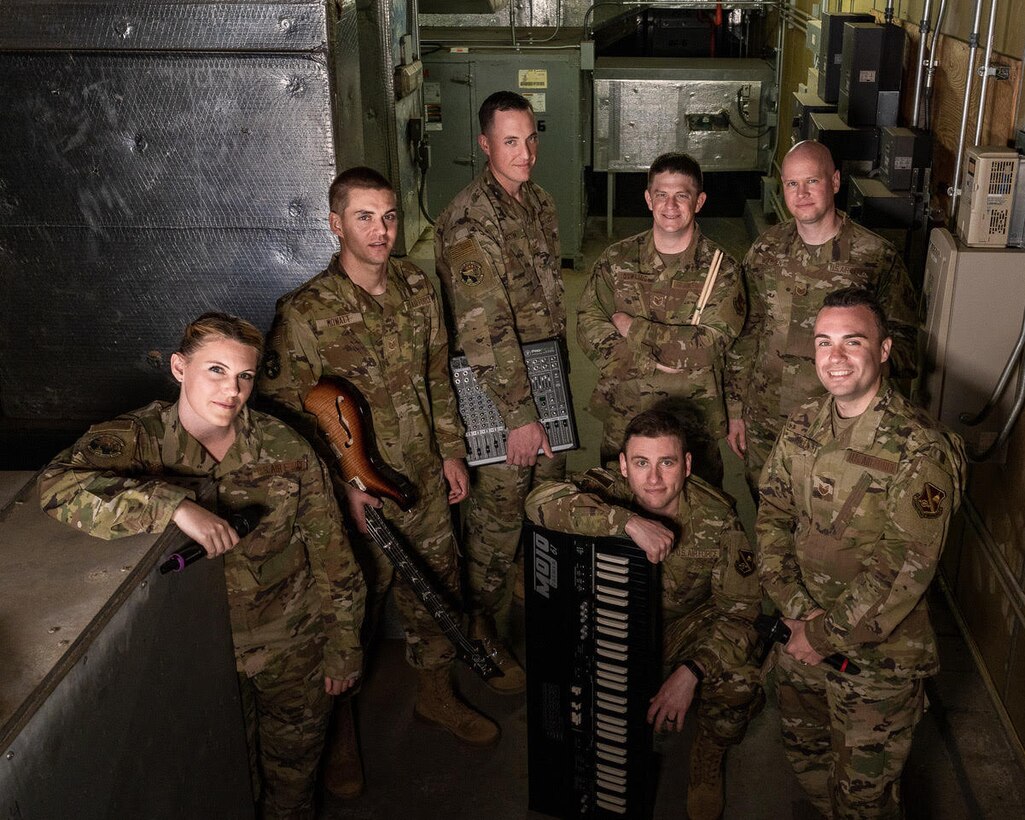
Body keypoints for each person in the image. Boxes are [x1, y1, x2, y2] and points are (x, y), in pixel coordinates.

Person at [38, 312, 365, 819]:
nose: (231, 390)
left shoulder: (285, 446)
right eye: (215, 370)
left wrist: (344, 646)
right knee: (217, 777)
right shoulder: (140, 438)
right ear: (178, 368)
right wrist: (171, 505)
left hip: (292, 645)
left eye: (244, 376)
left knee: (294, 779)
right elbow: (56, 486)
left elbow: (332, 554)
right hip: (198, 655)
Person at [258, 166, 498, 798]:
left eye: (389, 216)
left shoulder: (419, 287)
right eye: (364, 217)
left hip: (422, 478)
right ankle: (338, 733)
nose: (381, 230)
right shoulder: (305, 313)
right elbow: (283, 419)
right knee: (351, 615)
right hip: (357, 500)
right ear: (336, 223)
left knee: (437, 593)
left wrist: (452, 453)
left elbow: (439, 376)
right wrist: (343, 490)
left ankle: (436, 697)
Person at [757, 287, 967, 818]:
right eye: (824, 343)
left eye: (853, 342)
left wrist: (821, 635)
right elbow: (773, 517)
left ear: (885, 349)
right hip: (801, 635)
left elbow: (903, 569)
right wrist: (798, 613)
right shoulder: (804, 423)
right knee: (807, 764)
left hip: (874, 665)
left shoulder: (919, 448)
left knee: (862, 801)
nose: (836, 357)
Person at [525, 409, 762, 820]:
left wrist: (691, 671)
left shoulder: (718, 518)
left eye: (666, 463)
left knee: (741, 675)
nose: (653, 479)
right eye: (641, 463)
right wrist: (626, 522)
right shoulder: (610, 489)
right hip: (611, 623)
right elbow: (537, 502)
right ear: (623, 465)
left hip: (682, 628)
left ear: (686, 465)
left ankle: (708, 754)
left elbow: (740, 615)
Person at [434, 89, 565, 690]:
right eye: (510, 141)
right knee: (497, 515)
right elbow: (482, 329)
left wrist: (548, 400)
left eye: (531, 137)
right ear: (485, 144)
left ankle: (525, 598)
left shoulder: (538, 203)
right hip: (499, 389)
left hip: (542, 379)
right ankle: (480, 628)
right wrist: (519, 416)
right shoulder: (469, 220)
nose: (525, 152)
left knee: (546, 497)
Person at [726, 139, 920, 496]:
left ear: (834, 181)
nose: (801, 193)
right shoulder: (766, 251)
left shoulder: (875, 256)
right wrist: (736, 409)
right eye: (791, 184)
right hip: (767, 417)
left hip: (843, 420)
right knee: (769, 511)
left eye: (812, 181)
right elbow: (746, 333)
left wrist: (854, 378)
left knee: (833, 520)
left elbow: (905, 345)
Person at [577, 151, 744, 486]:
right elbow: (589, 323)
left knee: (696, 514)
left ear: (699, 201)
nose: (670, 206)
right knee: (623, 510)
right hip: (627, 411)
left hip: (693, 419)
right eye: (661, 195)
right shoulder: (616, 260)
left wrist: (634, 329)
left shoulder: (722, 269)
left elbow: (711, 344)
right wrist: (666, 356)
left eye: (682, 195)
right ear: (648, 199)